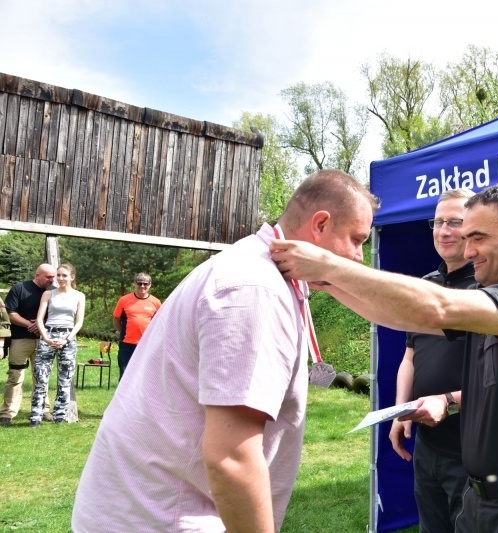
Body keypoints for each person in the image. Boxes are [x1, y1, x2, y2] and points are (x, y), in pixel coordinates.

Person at [271, 183, 498, 533]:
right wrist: (328, 283)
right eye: (465, 236)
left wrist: (330, 266)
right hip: (485, 500)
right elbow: (406, 318)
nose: (468, 251)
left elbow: (437, 308)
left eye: (479, 238)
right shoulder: (494, 297)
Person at [72, 170, 379, 533]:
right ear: (321, 224)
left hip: (157, 508)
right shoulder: (255, 288)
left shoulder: (259, 268)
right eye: (357, 240)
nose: (359, 256)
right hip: (163, 518)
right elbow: (231, 456)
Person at [389, 188, 474, 532]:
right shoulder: (426, 285)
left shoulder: (489, 288)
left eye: (455, 221)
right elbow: (410, 355)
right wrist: (400, 412)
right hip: (428, 444)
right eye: (438, 222)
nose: (443, 230)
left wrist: (449, 403)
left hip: (473, 448)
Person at [30, 263, 86, 427]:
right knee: (41, 376)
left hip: (67, 337)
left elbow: (79, 322)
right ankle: (36, 416)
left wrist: (67, 339)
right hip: (48, 335)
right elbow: (40, 318)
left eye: (64, 275)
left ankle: (60, 416)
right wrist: (46, 338)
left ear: (72, 277)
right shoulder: (48, 294)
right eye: (58, 275)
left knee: (65, 378)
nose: (60, 278)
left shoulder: (79, 296)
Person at [0, 264, 56, 427]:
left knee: (41, 376)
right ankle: (7, 412)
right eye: (48, 276)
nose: (52, 279)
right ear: (37, 275)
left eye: (53, 276)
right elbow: (10, 313)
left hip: (43, 339)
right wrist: (30, 325)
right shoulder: (20, 288)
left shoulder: (53, 292)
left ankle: (43, 409)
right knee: (15, 376)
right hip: (20, 340)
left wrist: (41, 327)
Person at [113, 272, 161, 378]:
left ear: (150, 285)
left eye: (145, 284)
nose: (142, 286)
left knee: (144, 376)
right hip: (127, 345)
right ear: (134, 284)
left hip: (146, 344)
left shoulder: (156, 302)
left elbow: (159, 323)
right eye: (139, 283)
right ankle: (124, 395)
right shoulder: (124, 300)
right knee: (125, 375)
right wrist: (124, 332)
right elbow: (116, 319)